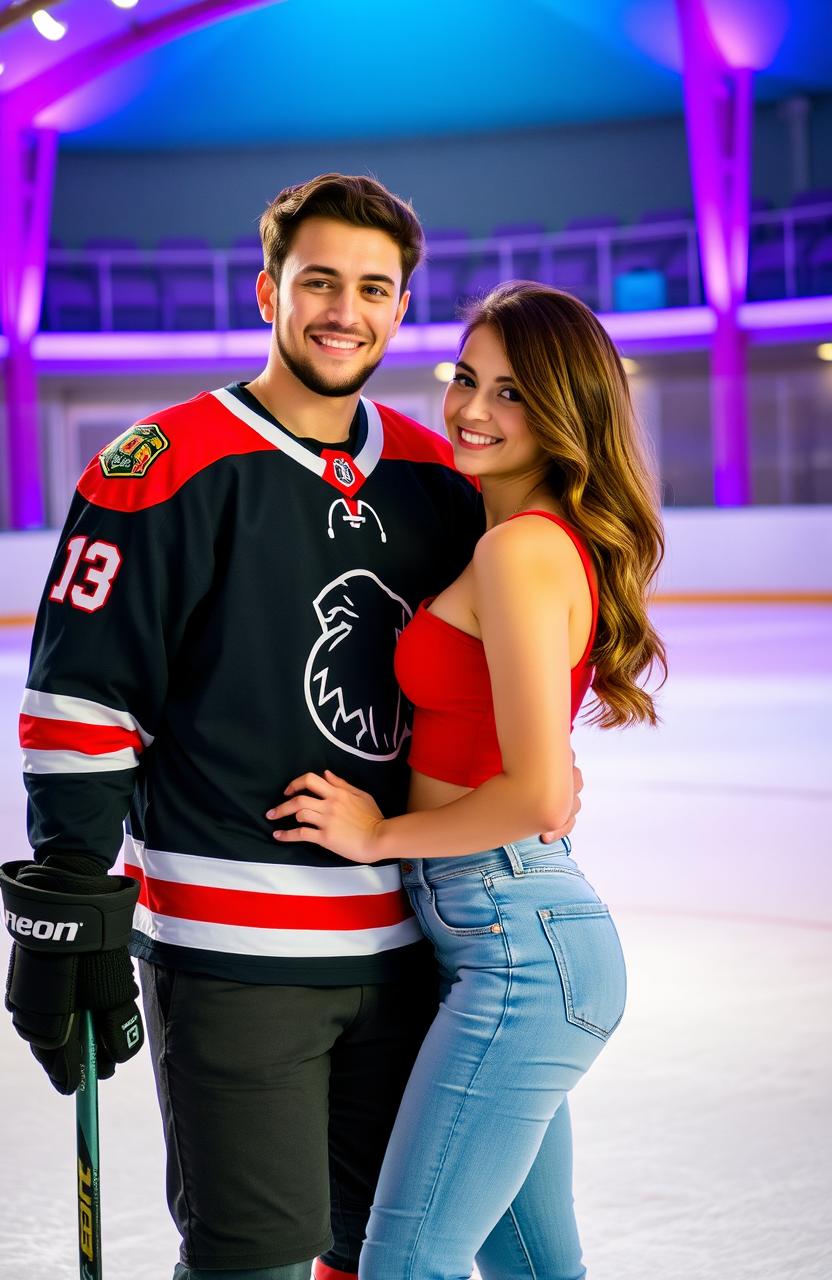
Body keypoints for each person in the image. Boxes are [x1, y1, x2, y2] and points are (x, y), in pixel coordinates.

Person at [0, 176, 580, 1280]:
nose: (342, 309)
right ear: (270, 289)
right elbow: (81, 706)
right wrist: (70, 902)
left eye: (373, 287)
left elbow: (487, 669)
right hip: (236, 959)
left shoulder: (434, 478)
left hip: (421, 949)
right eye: (318, 280)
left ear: (400, 308)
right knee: (254, 1258)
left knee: (384, 1254)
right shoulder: (158, 467)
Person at [267, 282, 667, 1280]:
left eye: (513, 393)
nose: (473, 410)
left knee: (402, 1263)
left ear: (566, 412)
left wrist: (375, 833)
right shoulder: (503, 540)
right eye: (466, 378)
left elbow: (534, 791)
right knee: (534, 1268)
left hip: (517, 946)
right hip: (494, 935)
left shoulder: (520, 548)